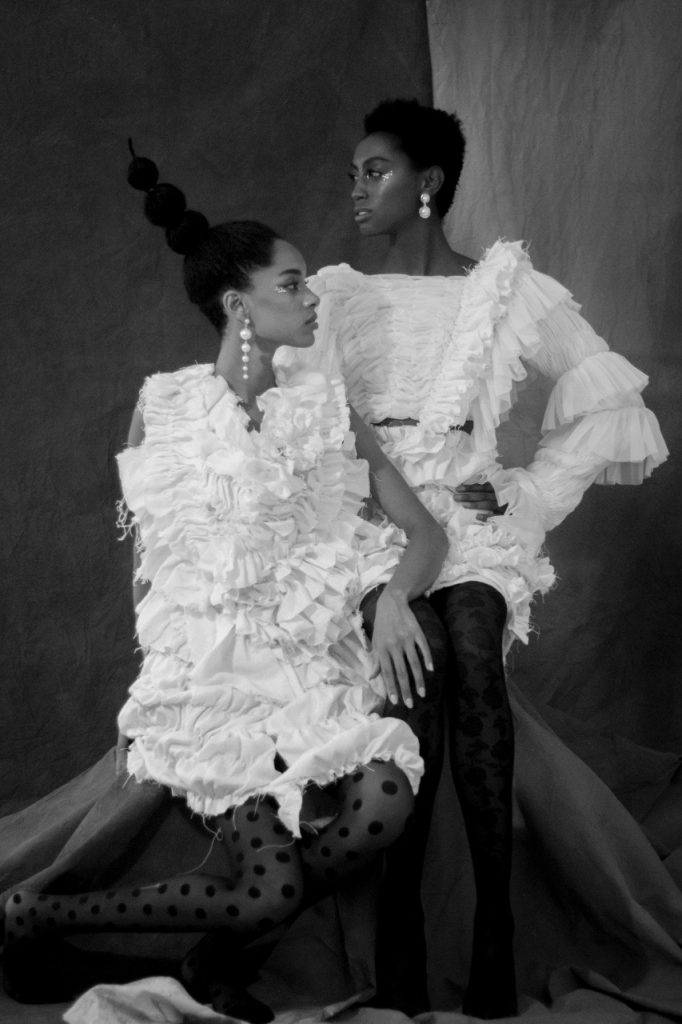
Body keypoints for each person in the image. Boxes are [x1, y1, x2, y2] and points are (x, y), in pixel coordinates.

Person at [2, 151, 450, 1018]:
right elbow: (157, 566)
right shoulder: (163, 408)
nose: (312, 295)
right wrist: (164, 692)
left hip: (311, 673)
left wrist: (396, 595)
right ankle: (38, 916)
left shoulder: (326, 407)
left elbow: (424, 531)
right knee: (270, 892)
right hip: (215, 682)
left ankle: (207, 956)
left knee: (388, 797)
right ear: (239, 304)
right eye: (294, 283)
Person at [275, 98, 669, 1019]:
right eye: (354, 172)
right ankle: (400, 928)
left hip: (471, 513)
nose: (356, 188)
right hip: (379, 521)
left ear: (430, 184)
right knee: (424, 667)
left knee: (477, 656)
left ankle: (496, 923)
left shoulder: (504, 285)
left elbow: (606, 401)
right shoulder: (334, 295)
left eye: (376, 170)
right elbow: (292, 423)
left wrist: (528, 491)